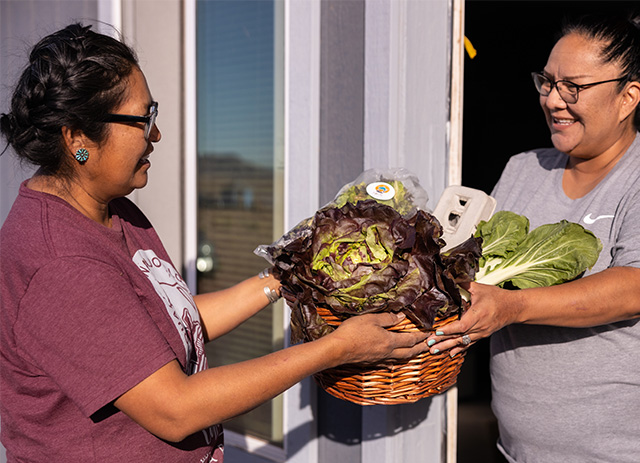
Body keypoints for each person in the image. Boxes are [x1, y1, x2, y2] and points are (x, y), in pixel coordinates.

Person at [0, 23, 428, 462]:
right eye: (142, 119)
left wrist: (284, 279)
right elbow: (175, 409)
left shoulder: (110, 209)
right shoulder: (59, 262)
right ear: (78, 139)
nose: (156, 135)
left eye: (155, 114)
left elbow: (168, 320)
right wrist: (335, 348)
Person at [428, 13, 640, 463]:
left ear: (628, 97)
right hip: (521, 450)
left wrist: (511, 306)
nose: (553, 100)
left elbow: (638, 289)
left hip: (633, 452)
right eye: (547, 82)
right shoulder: (523, 169)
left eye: (572, 87)